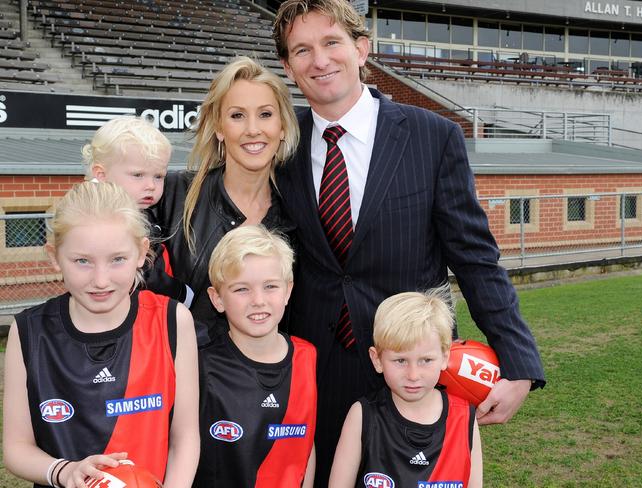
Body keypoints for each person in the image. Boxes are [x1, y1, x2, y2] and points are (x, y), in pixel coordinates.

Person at [272, 0, 545, 480]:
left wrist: (519, 361)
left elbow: (475, 258)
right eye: (302, 49)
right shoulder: (279, 143)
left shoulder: (432, 136)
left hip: (414, 368)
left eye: (332, 42)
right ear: (287, 65)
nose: (319, 60)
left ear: (362, 49)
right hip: (312, 368)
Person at [2, 182, 199, 488]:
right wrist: (63, 471)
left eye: (117, 259)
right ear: (55, 257)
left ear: (141, 253)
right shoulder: (29, 331)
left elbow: (185, 436)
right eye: (82, 261)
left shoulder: (173, 321)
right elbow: (16, 448)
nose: (100, 280)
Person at [151, 56, 299, 345]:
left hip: (265, 383)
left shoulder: (299, 214)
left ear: (282, 127)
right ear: (219, 127)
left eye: (266, 114)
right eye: (237, 116)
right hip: (182, 377)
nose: (253, 129)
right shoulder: (170, 193)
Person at [193, 225, 317, 487]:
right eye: (241, 290)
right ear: (217, 299)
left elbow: (306, 443)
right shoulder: (201, 365)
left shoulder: (306, 356)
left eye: (270, 286)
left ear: (288, 291)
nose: (258, 300)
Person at [329, 289, 482, 487]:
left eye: (426, 360)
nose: (413, 375)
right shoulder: (362, 415)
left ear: (445, 357)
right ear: (377, 359)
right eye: (400, 360)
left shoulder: (464, 418)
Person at [82, 116, 193, 307]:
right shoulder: (104, 220)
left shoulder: (140, 210)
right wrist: (183, 294)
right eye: (138, 175)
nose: (150, 185)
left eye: (158, 176)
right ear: (101, 175)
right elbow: (145, 273)